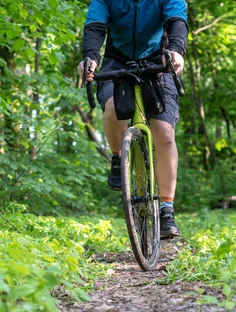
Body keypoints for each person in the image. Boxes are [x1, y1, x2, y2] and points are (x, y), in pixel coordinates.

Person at [78, 0, 188, 239]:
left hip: (158, 59)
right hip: (117, 61)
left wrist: (177, 51)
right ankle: (118, 159)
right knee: (113, 107)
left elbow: (176, 21)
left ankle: (167, 209)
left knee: (165, 134)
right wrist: (90, 58)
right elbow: (95, 27)